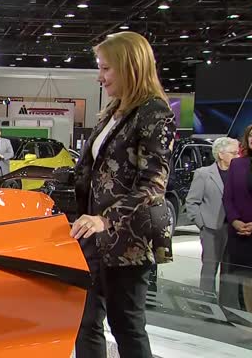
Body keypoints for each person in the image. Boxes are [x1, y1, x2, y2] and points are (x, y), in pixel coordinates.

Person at [71, 31, 176, 358]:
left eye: (106, 69)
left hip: (126, 242)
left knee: (126, 326)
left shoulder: (154, 112)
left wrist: (105, 219)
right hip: (91, 238)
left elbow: (154, 185)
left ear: (130, 67)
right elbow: (95, 171)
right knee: (85, 322)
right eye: (99, 68)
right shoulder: (113, 112)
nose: (100, 77)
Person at [185, 137, 239, 293]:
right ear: (221, 154)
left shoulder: (240, 174)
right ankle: (206, 304)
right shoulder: (204, 174)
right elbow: (192, 202)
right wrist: (202, 224)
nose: (237, 156)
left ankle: (228, 307)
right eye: (233, 153)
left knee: (229, 271)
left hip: (234, 229)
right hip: (211, 229)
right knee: (210, 268)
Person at [223, 121, 252, 314]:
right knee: (246, 280)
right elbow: (228, 197)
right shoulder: (237, 164)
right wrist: (235, 221)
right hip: (239, 232)